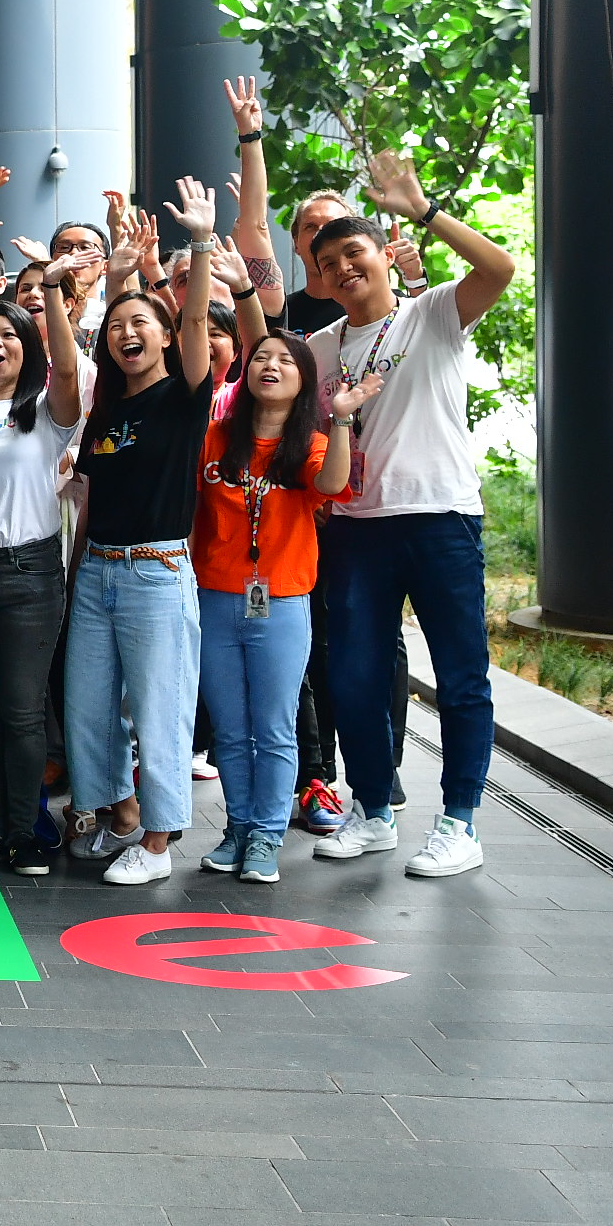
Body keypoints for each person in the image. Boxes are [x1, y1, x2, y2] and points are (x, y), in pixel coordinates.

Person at [308, 150, 519, 878]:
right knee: (357, 677)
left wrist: (423, 209)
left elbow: (500, 271)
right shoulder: (319, 349)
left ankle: (460, 821)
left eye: (354, 252)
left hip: (440, 520)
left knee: (462, 678)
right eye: (329, 261)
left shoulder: (431, 316)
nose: (343, 268)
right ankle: (373, 812)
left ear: (386, 258)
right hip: (358, 529)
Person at [63, 178, 222, 885]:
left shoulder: (185, 396)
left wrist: (198, 242)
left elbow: (195, 326)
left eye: (143, 326)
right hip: (97, 568)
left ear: (164, 334)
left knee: (159, 709)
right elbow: (94, 494)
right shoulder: (105, 409)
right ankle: (117, 815)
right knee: (89, 706)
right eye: (118, 328)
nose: (129, 335)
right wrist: (76, 567)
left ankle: (159, 843)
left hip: (159, 571)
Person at [197, 332, 373, 884]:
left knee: (273, 726)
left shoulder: (310, 445)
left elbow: (334, 484)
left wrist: (341, 418)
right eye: (262, 358)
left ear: (302, 383)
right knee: (228, 727)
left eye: (285, 361)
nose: (270, 366)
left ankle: (268, 835)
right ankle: (239, 828)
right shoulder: (215, 439)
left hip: (284, 600)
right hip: (214, 597)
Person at [0, 262, 87, 875]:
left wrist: (51, 292)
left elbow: (67, 360)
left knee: (23, 709)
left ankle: (28, 829)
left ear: (25, 349)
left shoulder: (49, 412)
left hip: (31, 571)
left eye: (8, 335)